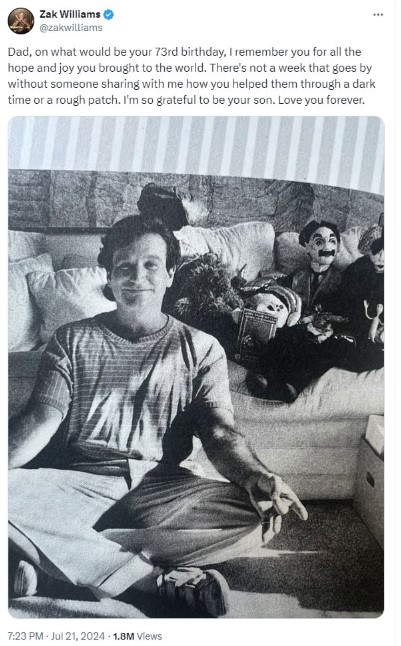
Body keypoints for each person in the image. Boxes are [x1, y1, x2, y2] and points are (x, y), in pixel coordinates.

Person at [9, 215, 307, 617]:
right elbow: (40, 419)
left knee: (262, 515)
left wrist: (256, 475)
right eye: (124, 266)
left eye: (151, 264)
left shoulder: (202, 348)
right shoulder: (71, 339)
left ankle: (56, 561)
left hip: (161, 486)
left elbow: (220, 433)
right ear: (109, 276)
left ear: (169, 274)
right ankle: (147, 579)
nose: (137, 277)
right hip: (77, 482)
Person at [284, 220, 342, 316]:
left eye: (332, 241)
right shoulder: (297, 275)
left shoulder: (341, 279)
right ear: (307, 247)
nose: (327, 248)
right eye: (319, 242)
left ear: (338, 247)